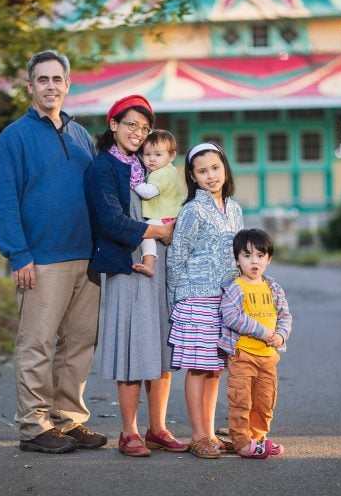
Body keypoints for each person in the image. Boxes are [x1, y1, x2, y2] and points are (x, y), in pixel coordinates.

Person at [0, 50, 106, 454]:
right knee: (37, 344)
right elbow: (3, 200)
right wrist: (18, 253)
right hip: (41, 258)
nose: (51, 86)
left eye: (58, 79)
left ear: (68, 85)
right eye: (43, 79)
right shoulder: (14, 137)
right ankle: (35, 427)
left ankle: (67, 419)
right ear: (30, 86)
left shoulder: (80, 135)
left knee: (78, 344)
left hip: (86, 257)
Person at [84, 95, 186, 457]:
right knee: (130, 347)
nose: (139, 134)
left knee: (161, 345)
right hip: (126, 264)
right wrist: (159, 233)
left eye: (144, 128)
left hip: (160, 267)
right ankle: (128, 431)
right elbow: (110, 221)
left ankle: (157, 427)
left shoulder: (147, 166)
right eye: (131, 125)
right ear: (113, 125)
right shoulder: (102, 168)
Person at [166, 142, 243, 459]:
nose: (211, 175)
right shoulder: (192, 210)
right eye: (202, 171)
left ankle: (210, 432)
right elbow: (176, 257)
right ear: (193, 177)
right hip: (196, 298)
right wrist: (174, 302)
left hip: (226, 300)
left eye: (215, 168)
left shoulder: (235, 208)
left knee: (215, 369)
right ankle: (198, 436)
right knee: (198, 369)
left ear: (225, 168)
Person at [219, 228, 292, 458]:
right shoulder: (235, 288)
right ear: (237, 260)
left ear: (268, 259)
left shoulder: (273, 287)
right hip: (243, 355)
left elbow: (285, 316)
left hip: (268, 357)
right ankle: (242, 442)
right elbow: (231, 316)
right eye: (247, 256)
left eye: (260, 256)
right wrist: (263, 332)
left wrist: (280, 335)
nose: (254, 261)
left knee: (265, 400)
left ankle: (258, 438)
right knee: (241, 400)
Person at [132, 130, 185, 277]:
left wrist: (134, 183)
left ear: (171, 156)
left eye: (158, 155)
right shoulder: (168, 170)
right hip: (170, 216)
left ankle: (149, 264)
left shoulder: (163, 173)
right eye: (147, 155)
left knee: (147, 233)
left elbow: (149, 192)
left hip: (165, 218)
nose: (151, 159)